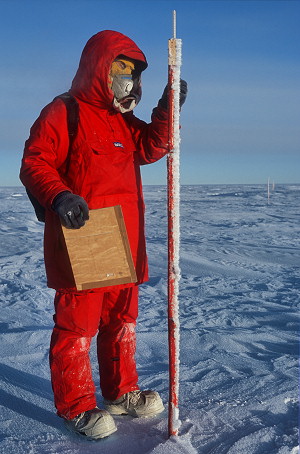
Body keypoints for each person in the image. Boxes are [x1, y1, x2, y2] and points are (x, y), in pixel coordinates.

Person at [20, 30, 187, 440]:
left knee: (121, 320)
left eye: (135, 75)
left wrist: (168, 110)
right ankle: (76, 407)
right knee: (78, 326)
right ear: (102, 69)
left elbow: (151, 147)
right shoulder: (64, 112)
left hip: (124, 237)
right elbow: (35, 161)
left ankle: (120, 392)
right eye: (123, 71)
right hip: (84, 237)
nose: (130, 83)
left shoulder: (122, 120)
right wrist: (59, 196)